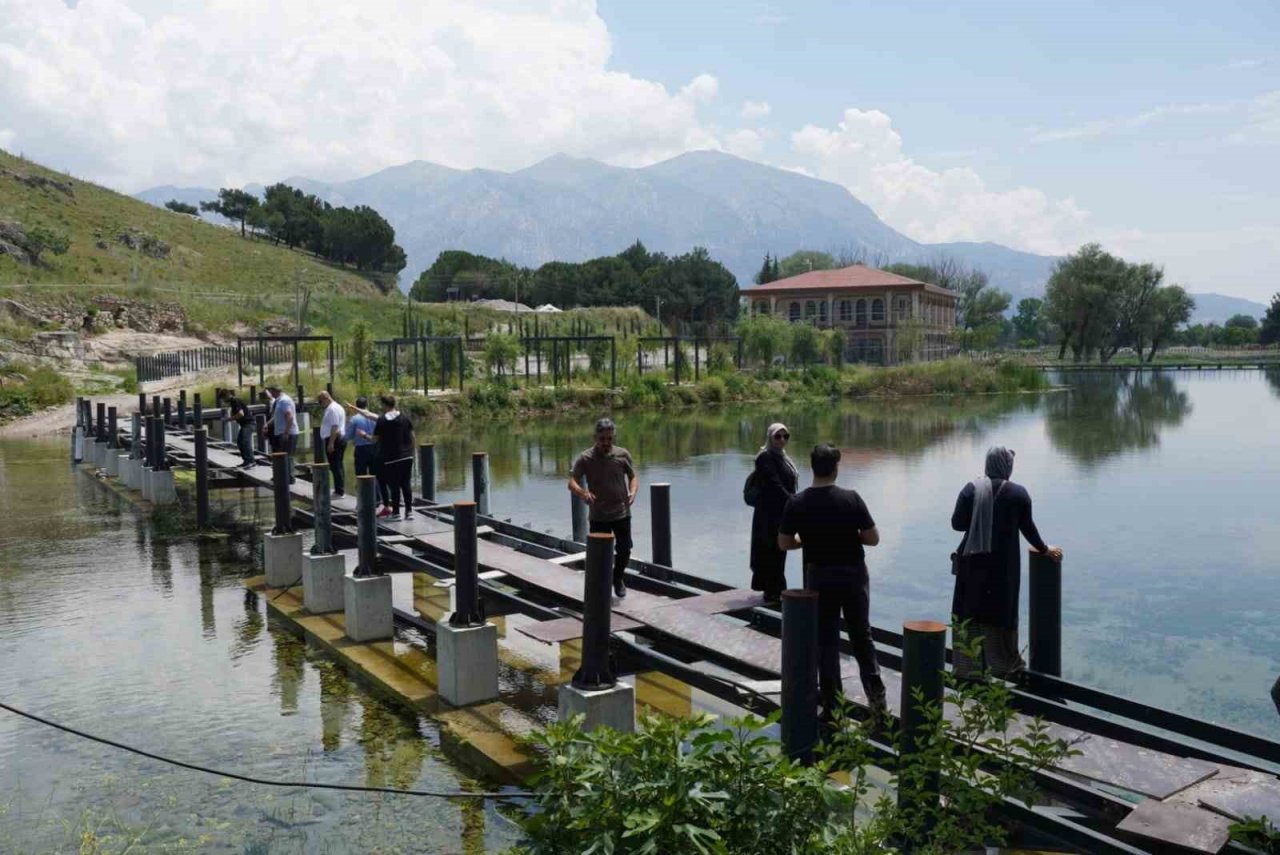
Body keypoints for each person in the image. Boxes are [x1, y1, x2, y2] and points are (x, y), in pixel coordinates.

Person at [778, 443, 887, 719]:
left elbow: (784, 542)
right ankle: (877, 701)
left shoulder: (797, 502)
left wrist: (808, 540)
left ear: (812, 467)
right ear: (836, 468)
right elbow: (873, 538)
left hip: (819, 577)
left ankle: (832, 707)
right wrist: (852, 537)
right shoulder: (851, 498)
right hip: (853, 575)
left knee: (825, 640)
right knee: (861, 636)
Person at [949, 446, 1062, 680]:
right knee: (1000, 614)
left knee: (969, 612)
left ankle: (967, 671)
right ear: (1007, 466)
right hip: (1003, 570)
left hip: (971, 567)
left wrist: (979, 517)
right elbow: (1028, 529)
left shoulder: (971, 489)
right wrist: (1045, 549)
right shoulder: (1018, 494)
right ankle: (1003, 669)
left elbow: (957, 524)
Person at [568, 418, 637, 599]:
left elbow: (633, 476)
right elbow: (572, 482)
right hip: (599, 515)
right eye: (602, 439)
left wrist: (633, 491)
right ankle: (600, 591)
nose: (606, 443)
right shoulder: (586, 458)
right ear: (595, 438)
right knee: (599, 556)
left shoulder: (622, 455)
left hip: (621, 512)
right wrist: (583, 493)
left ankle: (618, 578)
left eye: (609, 439)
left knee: (625, 549)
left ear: (613, 437)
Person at [749, 423, 799, 605]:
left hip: (782, 512)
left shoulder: (783, 457)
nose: (782, 440)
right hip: (769, 515)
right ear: (770, 437)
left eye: (785, 436)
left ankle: (776, 592)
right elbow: (774, 485)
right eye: (778, 436)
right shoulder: (764, 457)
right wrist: (795, 503)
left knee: (779, 552)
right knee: (772, 551)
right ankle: (774, 593)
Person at [353, 395, 415, 520]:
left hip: (392, 458)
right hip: (408, 456)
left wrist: (363, 435)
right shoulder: (404, 417)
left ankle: (396, 513)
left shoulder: (382, 421)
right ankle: (409, 512)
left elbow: (374, 440)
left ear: (384, 405)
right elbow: (413, 437)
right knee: (406, 484)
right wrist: (412, 452)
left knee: (394, 486)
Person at [346, 396, 390, 511]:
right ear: (367, 405)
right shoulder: (376, 417)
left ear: (356, 406)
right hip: (375, 448)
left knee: (361, 475)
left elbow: (348, 436)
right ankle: (378, 500)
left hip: (361, 449)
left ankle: (363, 501)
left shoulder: (354, 419)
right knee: (376, 475)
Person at [265, 386, 299, 484]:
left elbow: (289, 417)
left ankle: (290, 478)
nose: (271, 394)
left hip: (288, 433)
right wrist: (267, 424)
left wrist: (286, 432)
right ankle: (283, 477)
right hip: (281, 432)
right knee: (282, 456)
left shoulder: (284, 401)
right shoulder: (279, 401)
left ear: (275, 391)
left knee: (287, 456)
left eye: (271, 392)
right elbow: (276, 416)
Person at [317, 390, 347, 497]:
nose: (320, 404)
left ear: (326, 398)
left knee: (335, 465)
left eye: (320, 402)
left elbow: (334, 426)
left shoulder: (332, 409)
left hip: (335, 439)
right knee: (338, 465)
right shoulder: (337, 407)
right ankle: (340, 489)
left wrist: (331, 443)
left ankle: (339, 491)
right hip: (339, 439)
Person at [228, 394, 254, 468]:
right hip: (244, 424)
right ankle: (246, 461)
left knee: (245, 442)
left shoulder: (235, 401)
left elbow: (241, 414)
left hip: (249, 423)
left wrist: (230, 418)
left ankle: (251, 461)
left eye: (223, 399)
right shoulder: (233, 402)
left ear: (227, 395)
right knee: (240, 442)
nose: (223, 401)